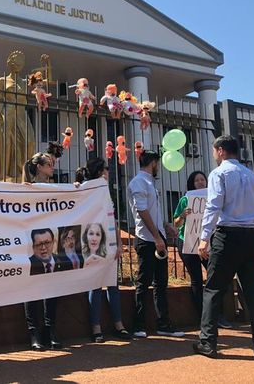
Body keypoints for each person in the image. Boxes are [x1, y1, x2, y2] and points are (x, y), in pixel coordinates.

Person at [193, 135, 254, 360]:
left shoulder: (219, 173)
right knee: (253, 292)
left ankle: (208, 342)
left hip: (228, 236)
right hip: (251, 238)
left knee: (214, 289)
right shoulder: (253, 177)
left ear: (220, 151)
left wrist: (204, 237)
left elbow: (213, 205)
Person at [128, 150, 184, 339]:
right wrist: (156, 237)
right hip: (146, 239)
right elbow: (142, 212)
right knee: (144, 282)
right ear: (153, 162)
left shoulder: (150, 183)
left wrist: (166, 226)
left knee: (161, 282)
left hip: (156, 236)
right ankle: (138, 325)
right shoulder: (138, 182)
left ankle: (163, 323)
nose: (158, 167)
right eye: (157, 163)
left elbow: (152, 211)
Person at [76, 157, 131, 343]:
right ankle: (96, 328)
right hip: (91, 244)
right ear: (100, 172)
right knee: (95, 286)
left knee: (113, 285)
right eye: (106, 169)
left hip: (109, 243)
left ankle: (119, 325)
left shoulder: (106, 191)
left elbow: (112, 219)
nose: (109, 172)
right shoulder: (86, 190)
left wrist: (119, 243)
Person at [21, 152, 69, 350]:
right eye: (48, 164)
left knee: (52, 288)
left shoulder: (57, 188)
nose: (53, 167)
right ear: (39, 167)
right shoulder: (27, 188)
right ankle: (34, 333)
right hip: (31, 244)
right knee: (32, 290)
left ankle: (50, 330)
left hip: (52, 243)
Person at [173, 171, 232, 329]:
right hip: (188, 242)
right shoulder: (186, 199)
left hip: (207, 243)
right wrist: (183, 216)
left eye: (202, 179)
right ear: (192, 183)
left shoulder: (213, 198)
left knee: (215, 278)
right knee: (196, 281)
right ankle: (202, 318)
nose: (200, 182)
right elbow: (176, 223)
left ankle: (219, 316)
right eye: (197, 180)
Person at [0, 50, 36, 182]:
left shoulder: (24, 82)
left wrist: (47, 64)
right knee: (7, 144)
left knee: (29, 141)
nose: (19, 64)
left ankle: (25, 172)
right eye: (16, 61)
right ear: (10, 63)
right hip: (8, 112)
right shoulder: (2, 80)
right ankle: (4, 175)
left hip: (22, 113)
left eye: (21, 62)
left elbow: (45, 81)